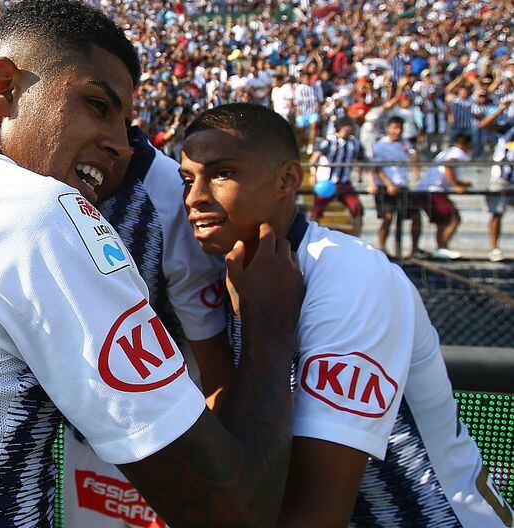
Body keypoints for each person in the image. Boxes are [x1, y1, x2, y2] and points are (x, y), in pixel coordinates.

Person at [0, 2, 302, 526]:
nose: (120, 145)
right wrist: (269, 327)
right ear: (4, 88)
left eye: (125, 122)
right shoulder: (36, 213)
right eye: (97, 104)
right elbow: (231, 511)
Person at [182, 103, 514, 528]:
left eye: (222, 173)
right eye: (187, 179)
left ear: (287, 179)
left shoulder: (351, 279)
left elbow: (318, 511)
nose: (194, 197)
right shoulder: (229, 270)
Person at [61, 125, 229, 527]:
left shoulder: (171, 198)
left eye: (103, 106)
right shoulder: (28, 180)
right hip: (71, 436)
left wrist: (207, 472)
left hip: (156, 445)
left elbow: (216, 368)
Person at [415, 133, 473, 260]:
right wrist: (455, 185)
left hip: (426, 189)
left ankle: (441, 248)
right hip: (434, 190)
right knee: (453, 218)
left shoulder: (447, 151)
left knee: (443, 220)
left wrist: (460, 183)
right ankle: (442, 247)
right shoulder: (458, 153)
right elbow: (448, 165)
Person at [371, 116, 424, 256]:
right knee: (387, 217)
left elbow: (412, 160)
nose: (397, 131)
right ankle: (382, 248)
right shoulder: (380, 145)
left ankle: (414, 249)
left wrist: (415, 154)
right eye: (395, 127)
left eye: (400, 128)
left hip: (402, 185)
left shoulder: (405, 144)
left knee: (416, 215)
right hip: (385, 186)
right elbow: (377, 168)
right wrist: (388, 184)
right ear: (388, 128)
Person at [309, 116, 367, 236]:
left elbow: (364, 162)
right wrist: (313, 174)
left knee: (356, 208)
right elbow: (314, 159)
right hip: (326, 183)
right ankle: (311, 236)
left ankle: (357, 238)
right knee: (317, 210)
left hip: (344, 182)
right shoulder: (328, 141)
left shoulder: (355, 143)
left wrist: (371, 182)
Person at [478, 98, 513, 262]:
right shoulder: (509, 126)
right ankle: (494, 248)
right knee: (497, 213)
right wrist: (501, 109)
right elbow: (483, 125)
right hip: (502, 177)